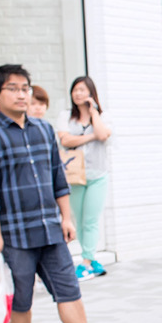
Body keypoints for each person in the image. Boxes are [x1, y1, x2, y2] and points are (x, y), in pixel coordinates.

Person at [0, 64, 128, 323]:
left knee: (69, 288)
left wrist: (66, 218)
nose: (21, 94)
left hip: (51, 228)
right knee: (22, 296)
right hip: (14, 233)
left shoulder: (42, 130)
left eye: (24, 88)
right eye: (13, 88)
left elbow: (59, 178)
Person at [57, 76, 113, 280]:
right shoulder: (66, 117)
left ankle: (87, 260)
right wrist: (91, 137)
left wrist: (93, 112)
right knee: (78, 219)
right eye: (75, 90)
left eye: (82, 90)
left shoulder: (102, 116)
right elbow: (65, 139)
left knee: (90, 219)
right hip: (74, 176)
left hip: (97, 175)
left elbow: (103, 134)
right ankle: (90, 258)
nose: (78, 94)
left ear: (91, 93)